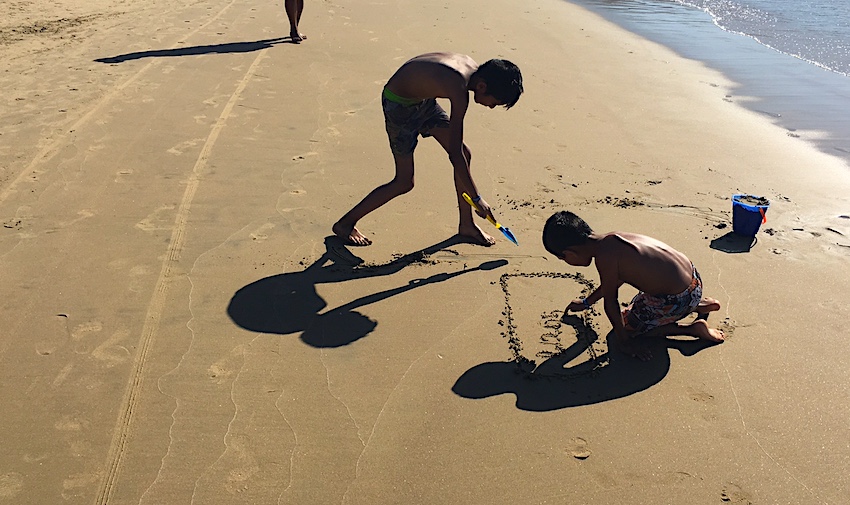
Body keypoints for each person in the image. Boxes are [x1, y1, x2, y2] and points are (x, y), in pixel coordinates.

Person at [332, 52, 523, 246]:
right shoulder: (458, 88)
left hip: (423, 101)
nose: (490, 107)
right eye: (493, 103)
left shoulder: (471, 67)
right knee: (404, 181)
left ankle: (467, 225)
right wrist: (477, 198)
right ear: (482, 86)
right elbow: (454, 154)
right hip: (398, 106)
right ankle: (345, 224)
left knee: (466, 153)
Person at [542, 210, 725, 360]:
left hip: (677, 299)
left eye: (562, 258)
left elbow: (611, 302)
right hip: (694, 282)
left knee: (629, 325)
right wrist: (586, 302)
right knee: (643, 301)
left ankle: (692, 329)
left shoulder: (605, 258)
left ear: (569, 253)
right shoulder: (612, 240)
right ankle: (700, 305)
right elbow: (614, 281)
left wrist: (623, 341)